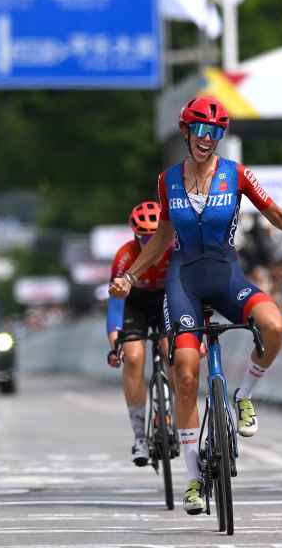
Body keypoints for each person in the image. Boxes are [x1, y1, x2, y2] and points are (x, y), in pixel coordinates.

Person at [109, 96, 282, 515]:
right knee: (186, 372)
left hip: (226, 276)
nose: (206, 139)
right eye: (199, 130)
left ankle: (244, 394)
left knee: (274, 326)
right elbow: (160, 238)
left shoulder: (238, 174)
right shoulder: (168, 180)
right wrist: (133, 276)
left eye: (214, 132)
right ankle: (195, 480)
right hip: (184, 281)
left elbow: (276, 215)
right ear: (186, 132)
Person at [106, 200, 173, 467]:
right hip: (136, 303)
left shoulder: (175, 249)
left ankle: (176, 418)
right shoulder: (125, 256)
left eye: (154, 236)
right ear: (135, 235)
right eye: (143, 237)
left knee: (176, 352)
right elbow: (115, 302)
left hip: (168, 300)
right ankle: (139, 437)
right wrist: (115, 341)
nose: (149, 242)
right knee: (133, 357)